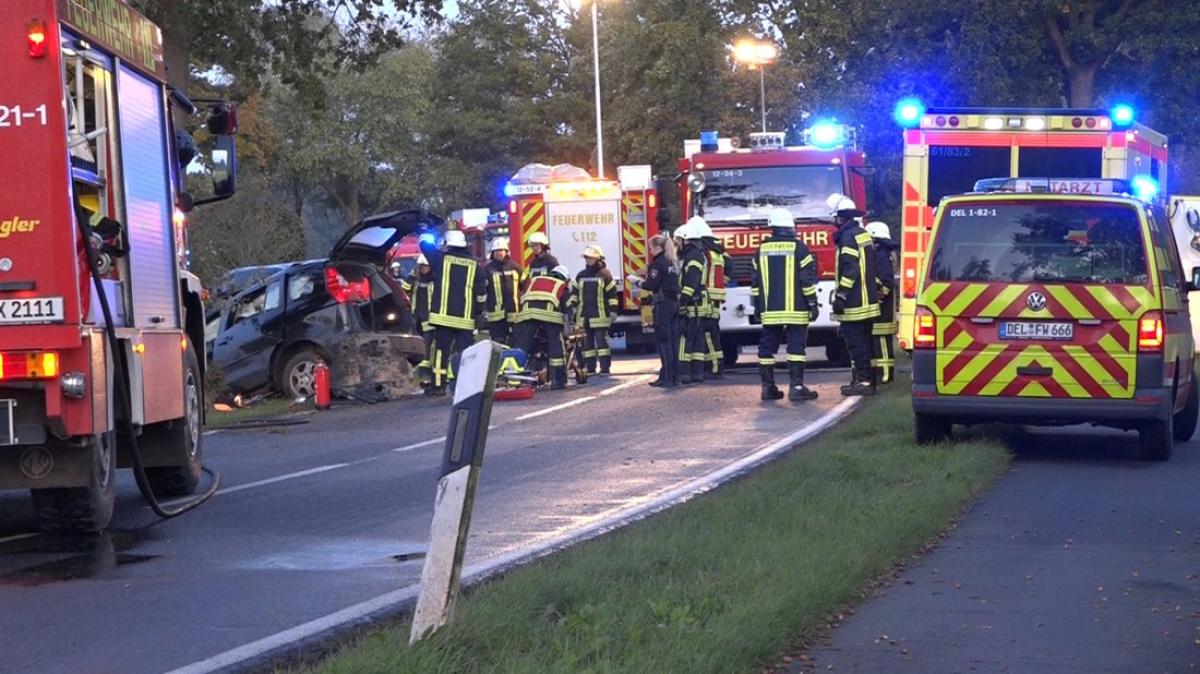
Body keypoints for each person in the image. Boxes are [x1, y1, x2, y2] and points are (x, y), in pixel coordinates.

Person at [752, 208, 821, 401]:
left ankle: (767, 388)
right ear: (789, 226)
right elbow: (806, 280)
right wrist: (813, 303)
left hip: (770, 309)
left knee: (766, 348)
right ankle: (797, 387)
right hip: (796, 309)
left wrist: (758, 306)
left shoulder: (761, 250)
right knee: (796, 347)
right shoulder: (799, 248)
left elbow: (755, 283)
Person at [421, 229, 487, 396]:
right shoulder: (475, 265)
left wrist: (423, 232)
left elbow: (424, 245)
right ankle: (466, 387)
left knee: (441, 352)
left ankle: (438, 386)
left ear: (447, 244)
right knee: (466, 353)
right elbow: (481, 294)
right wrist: (480, 314)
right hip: (465, 319)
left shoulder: (440, 258)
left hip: (443, 318)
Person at [829, 195, 880, 396]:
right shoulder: (863, 234)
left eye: (836, 218)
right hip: (868, 300)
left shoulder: (848, 237)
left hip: (854, 302)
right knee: (866, 341)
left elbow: (850, 269)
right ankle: (868, 379)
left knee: (855, 342)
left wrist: (841, 295)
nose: (835, 222)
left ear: (842, 218)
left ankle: (864, 381)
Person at [514, 264, 573, 390]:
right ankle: (558, 381)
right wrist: (569, 326)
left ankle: (514, 377)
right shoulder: (562, 285)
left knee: (522, 346)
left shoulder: (536, 280)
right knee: (556, 347)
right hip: (550, 316)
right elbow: (567, 308)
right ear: (565, 278)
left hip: (527, 314)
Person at [569, 245, 619, 375]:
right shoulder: (581, 275)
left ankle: (604, 368)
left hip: (600, 315)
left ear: (598, 259)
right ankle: (590, 368)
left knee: (602, 343)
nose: (588, 261)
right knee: (587, 344)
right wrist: (572, 307)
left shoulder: (605, 274)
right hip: (583, 315)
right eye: (587, 258)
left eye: (591, 258)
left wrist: (613, 310)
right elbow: (574, 293)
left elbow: (612, 294)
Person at [641, 233, 681, 387]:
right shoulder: (673, 262)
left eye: (651, 248)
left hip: (662, 305)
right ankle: (675, 376)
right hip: (673, 304)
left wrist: (637, 282)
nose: (650, 251)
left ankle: (666, 377)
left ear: (658, 247)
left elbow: (651, 285)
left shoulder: (658, 264)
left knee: (663, 342)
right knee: (672, 341)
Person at [677, 217, 710, 385]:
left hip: (693, 303)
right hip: (699, 302)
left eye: (678, 240)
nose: (677, 244)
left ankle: (684, 372)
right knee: (697, 339)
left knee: (685, 338)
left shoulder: (693, 257)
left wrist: (683, 300)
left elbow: (692, 281)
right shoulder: (695, 254)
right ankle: (697, 372)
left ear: (686, 239)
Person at [866, 221, 899, 385]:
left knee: (882, 339)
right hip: (883, 303)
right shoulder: (886, 252)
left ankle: (885, 373)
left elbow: (886, 281)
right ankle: (880, 372)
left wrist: (878, 297)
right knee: (878, 339)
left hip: (883, 305)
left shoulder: (880, 253)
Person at [400, 254, 436, 392]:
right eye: (422, 266)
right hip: (417, 317)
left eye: (426, 266)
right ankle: (418, 374)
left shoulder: (435, 279)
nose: (424, 269)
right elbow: (404, 289)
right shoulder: (415, 279)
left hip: (430, 317)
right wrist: (412, 277)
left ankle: (426, 375)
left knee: (427, 345)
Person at [698, 220, 729, 379]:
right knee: (712, 333)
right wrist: (723, 280)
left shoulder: (705, 253)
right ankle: (715, 366)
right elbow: (729, 265)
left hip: (707, 297)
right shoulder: (718, 251)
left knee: (709, 334)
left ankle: (715, 368)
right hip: (716, 297)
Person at [483, 237, 521, 345]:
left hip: (514, 314)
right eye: (497, 251)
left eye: (501, 250)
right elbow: (481, 289)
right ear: (492, 253)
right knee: (498, 344)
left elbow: (525, 285)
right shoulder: (487, 270)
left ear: (506, 252)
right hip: (495, 317)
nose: (499, 253)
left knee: (515, 341)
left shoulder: (515, 267)